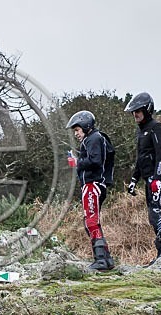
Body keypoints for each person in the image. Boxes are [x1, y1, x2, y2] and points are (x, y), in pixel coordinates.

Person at [124, 92, 161, 263]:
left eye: (138, 111)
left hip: (158, 176)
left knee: (156, 211)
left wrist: (157, 177)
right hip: (148, 178)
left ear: (147, 109)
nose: (135, 114)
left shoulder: (156, 128)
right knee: (151, 215)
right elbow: (141, 158)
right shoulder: (141, 132)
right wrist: (134, 180)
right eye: (133, 112)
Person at [65, 110, 116, 271]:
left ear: (86, 126)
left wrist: (76, 161)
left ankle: (100, 259)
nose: (76, 134)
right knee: (90, 222)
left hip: (93, 185)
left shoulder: (93, 138)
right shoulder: (94, 139)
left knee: (91, 221)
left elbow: (95, 160)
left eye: (77, 130)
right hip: (95, 185)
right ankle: (106, 258)